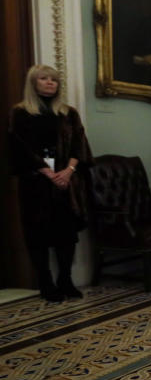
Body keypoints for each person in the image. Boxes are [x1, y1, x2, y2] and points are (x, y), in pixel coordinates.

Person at [9, 65, 92, 302]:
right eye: (44, 79)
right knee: (38, 233)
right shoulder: (21, 112)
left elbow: (79, 144)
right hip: (36, 183)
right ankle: (46, 282)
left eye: (54, 79)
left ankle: (65, 280)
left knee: (66, 233)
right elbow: (19, 147)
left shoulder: (68, 113)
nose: (49, 83)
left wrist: (68, 171)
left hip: (66, 182)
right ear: (33, 83)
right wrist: (48, 173)